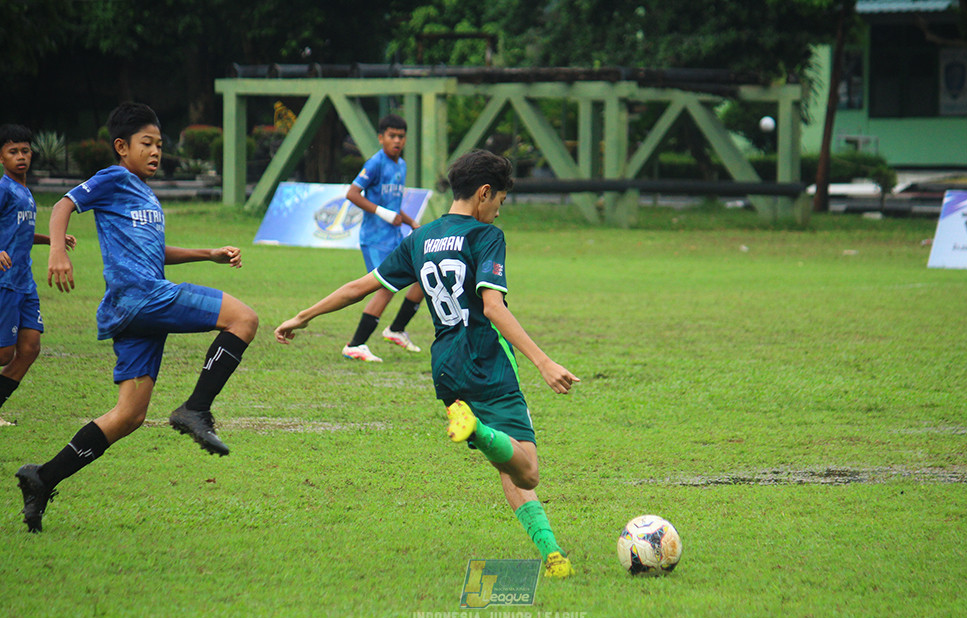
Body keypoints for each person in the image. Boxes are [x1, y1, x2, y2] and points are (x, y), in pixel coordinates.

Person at [275, 149, 580, 577]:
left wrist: (303, 316)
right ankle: (479, 430)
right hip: (487, 360)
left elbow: (362, 286)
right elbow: (492, 308)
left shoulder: (420, 240)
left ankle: (552, 556)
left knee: (506, 465)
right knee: (527, 471)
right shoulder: (484, 235)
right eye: (500, 202)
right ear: (484, 193)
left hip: (447, 370)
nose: (498, 211)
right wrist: (544, 362)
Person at [14, 102, 258, 533]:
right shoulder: (114, 178)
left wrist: (208, 254)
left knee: (129, 415)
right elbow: (62, 207)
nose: (156, 151)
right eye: (147, 143)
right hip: (142, 298)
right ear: (121, 146)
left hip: (135, 310)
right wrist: (56, 251)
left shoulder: (146, 194)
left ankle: (42, 478)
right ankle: (195, 410)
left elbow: (152, 253)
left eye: (160, 144)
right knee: (244, 319)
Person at [0, 124, 77, 426]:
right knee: (4, 353)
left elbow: (20, 233)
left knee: (30, 347)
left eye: (25, 151)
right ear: (1, 157)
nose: (20, 157)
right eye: (12, 152)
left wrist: (53, 240)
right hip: (5, 280)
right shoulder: (4, 189)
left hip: (24, 283)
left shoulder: (25, 192)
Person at [341, 113, 425, 362]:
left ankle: (397, 329)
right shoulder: (375, 163)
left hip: (394, 235)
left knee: (422, 275)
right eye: (392, 136)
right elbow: (352, 193)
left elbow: (392, 204)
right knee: (386, 287)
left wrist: (411, 222)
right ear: (381, 138)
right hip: (375, 237)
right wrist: (383, 214)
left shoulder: (401, 165)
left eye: (401, 136)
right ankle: (355, 344)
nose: (397, 140)